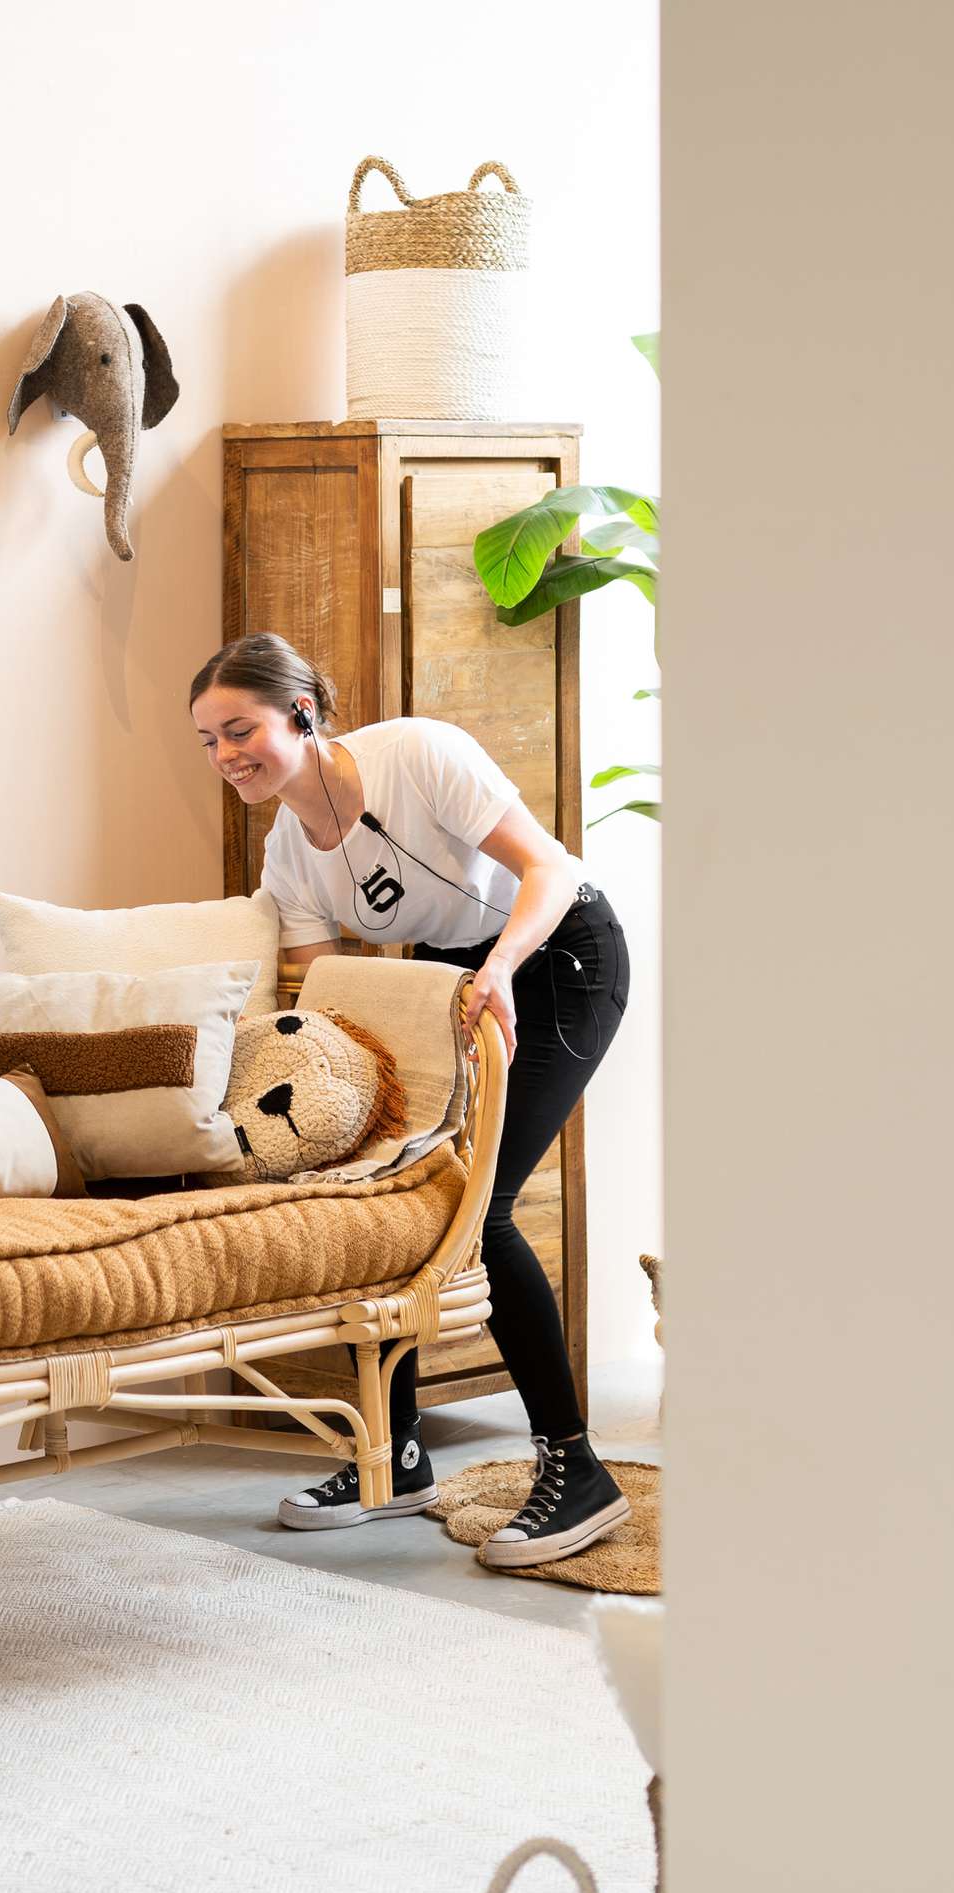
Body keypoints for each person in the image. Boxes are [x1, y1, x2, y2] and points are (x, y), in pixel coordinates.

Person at [189, 633, 631, 1569]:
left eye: (240, 730)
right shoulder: (287, 853)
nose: (226, 755)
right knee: (393, 1191)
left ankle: (577, 1469)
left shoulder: (418, 755)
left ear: (301, 713)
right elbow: (328, 1000)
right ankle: (394, 1459)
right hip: (450, 981)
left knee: (480, 1207)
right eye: (209, 740)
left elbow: (549, 868)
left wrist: (501, 967)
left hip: (559, 956)